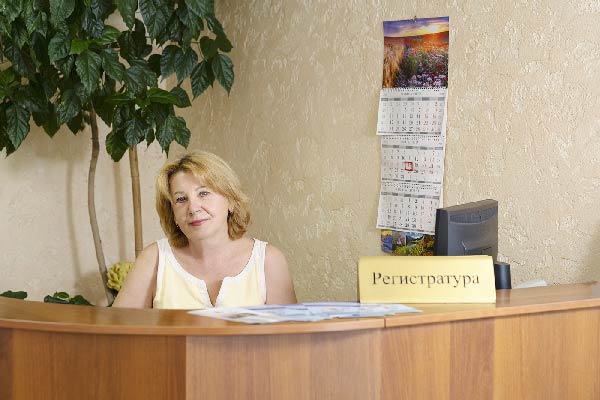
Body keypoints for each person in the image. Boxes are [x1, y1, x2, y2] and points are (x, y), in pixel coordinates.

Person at [114, 151, 297, 309]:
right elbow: (117, 332)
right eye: (181, 199)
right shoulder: (153, 259)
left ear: (231, 201)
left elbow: (290, 337)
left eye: (203, 193)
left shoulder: (268, 260)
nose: (193, 208)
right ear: (173, 213)